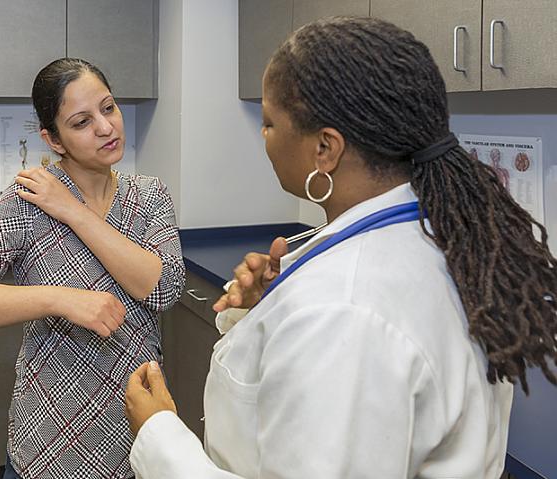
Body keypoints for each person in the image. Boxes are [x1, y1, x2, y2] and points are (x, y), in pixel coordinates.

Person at [124, 17, 557, 479]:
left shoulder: (339, 307)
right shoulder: (449, 237)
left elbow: (340, 331)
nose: (263, 137)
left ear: (325, 149)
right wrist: (270, 311)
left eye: (269, 123)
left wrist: (160, 435)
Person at [0, 58, 185, 479]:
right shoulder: (27, 200)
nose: (106, 128)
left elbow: (163, 289)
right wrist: (60, 299)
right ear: (54, 140)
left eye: (109, 108)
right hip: (49, 447)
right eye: (82, 121)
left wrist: (73, 211)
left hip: (138, 440)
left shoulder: (150, 195)